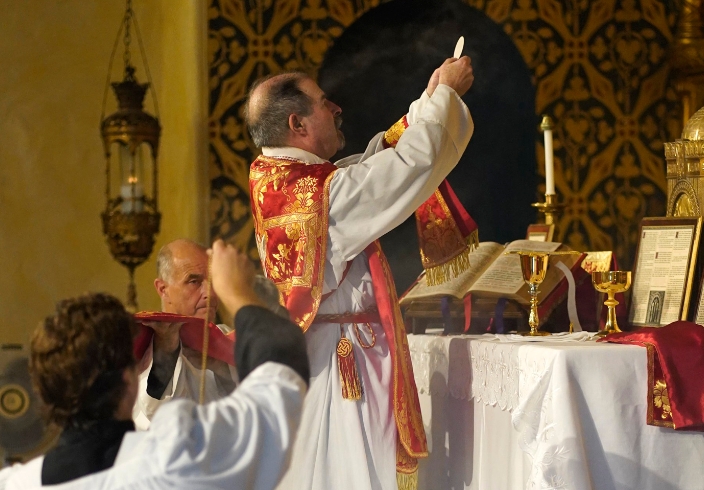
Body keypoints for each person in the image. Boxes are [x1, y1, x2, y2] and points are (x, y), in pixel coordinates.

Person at [246, 56, 474, 490]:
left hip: (324, 353)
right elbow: (405, 168)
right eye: (323, 102)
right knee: (352, 473)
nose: (336, 109)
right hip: (341, 363)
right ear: (298, 124)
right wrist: (446, 95)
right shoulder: (317, 196)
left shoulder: (282, 178)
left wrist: (428, 102)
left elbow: (367, 165)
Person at [0, 240, 310, 490]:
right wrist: (241, 294)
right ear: (129, 379)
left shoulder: (15, 483)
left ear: (43, 391)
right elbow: (279, 387)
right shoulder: (177, 459)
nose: (208, 292)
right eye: (193, 281)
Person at [132, 238, 238, 430]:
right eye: (194, 281)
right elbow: (155, 417)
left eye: (213, 281)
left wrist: (221, 365)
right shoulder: (144, 343)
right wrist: (166, 349)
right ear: (163, 289)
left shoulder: (228, 337)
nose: (210, 294)